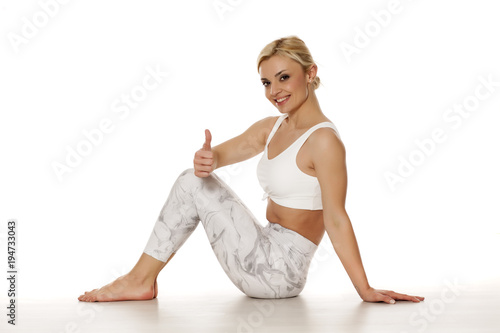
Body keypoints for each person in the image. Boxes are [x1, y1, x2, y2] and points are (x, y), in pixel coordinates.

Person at [78, 36, 424, 304]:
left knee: (190, 184)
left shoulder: (324, 142)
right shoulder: (272, 128)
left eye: (284, 77)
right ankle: (140, 279)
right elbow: (224, 154)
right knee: (193, 178)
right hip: (263, 247)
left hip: (278, 273)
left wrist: (364, 288)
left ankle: (139, 280)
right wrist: (207, 158)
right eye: (266, 83)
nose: (275, 91)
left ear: (311, 73)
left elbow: (335, 218)